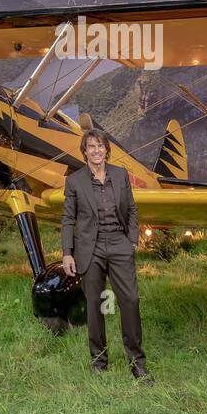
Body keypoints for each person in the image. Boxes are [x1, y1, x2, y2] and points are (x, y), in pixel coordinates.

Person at [60, 128, 151, 383]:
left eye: (100, 146)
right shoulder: (75, 181)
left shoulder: (121, 176)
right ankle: (99, 363)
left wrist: (131, 241)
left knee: (130, 301)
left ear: (106, 150)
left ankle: (137, 364)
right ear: (85, 152)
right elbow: (68, 219)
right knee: (95, 306)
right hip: (90, 249)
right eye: (91, 146)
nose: (96, 150)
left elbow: (132, 209)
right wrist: (67, 253)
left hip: (120, 244)